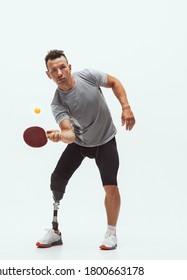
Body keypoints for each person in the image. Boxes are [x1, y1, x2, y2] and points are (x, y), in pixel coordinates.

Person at [36, 50, 135, 250]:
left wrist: (125, 107)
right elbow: (69, 133)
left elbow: (114, 82)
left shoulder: (88, 76)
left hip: (105, 140)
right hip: (80, 143)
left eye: (62, 67)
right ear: (49, 75)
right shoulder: (58, 103)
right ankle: (55, 231)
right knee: (57, 179)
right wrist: (60, 136)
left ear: (69, 67)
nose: (59, 72)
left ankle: (111, 232)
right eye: (53, 70)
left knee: (110, 186)